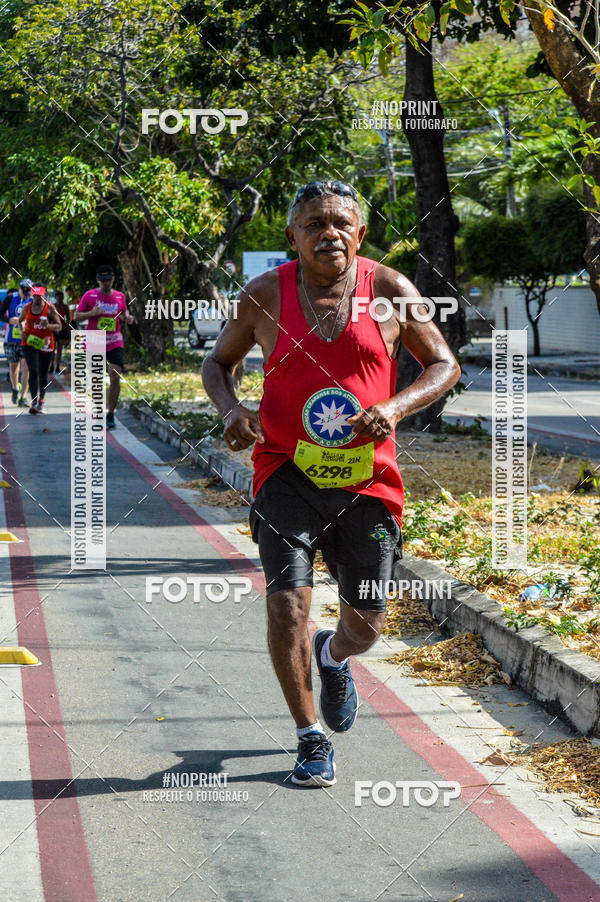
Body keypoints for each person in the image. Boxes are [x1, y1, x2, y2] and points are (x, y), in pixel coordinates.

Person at [202, 179, 461, 787]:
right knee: (287, 604)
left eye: (341, 223)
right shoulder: (264, 294)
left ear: (360, 233)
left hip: (367, 481)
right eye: (315, 224)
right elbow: (218, 363)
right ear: (292, 236)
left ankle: (333, 654)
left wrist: (394, 408)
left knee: (366, 623)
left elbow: (444, 365)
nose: (330, 234)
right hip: (284, 472)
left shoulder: (389, 289)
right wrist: (231, 410)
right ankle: (309, 736)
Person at [74, 265, 134, 428]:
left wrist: (128, 318)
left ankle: (111, 414)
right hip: (95, 340)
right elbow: (76, 316)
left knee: (115, 376)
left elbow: (124, 313)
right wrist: (92, 314)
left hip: (114, 341)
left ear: (113, 279)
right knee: (97, 380)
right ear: (98, 280)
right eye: (103, 281)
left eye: (108, 280)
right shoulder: (90, 295)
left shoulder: (120, 296)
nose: (106, 283)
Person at [19, 283, 61, 414]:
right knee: (33, 371)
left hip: (45, 344)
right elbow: (20, 320)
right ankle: (34, 402)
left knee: (43, 373)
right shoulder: (27, 307)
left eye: (40, 295)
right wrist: (21, 330)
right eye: (35, 295)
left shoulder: (50, 308)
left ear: (44, 294)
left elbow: (59, 326)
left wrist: (48, 325)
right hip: (29, 342)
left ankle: (41, 401)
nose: (37, 298)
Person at [2, 280, 32, 406]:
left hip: (27, 340)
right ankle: (15, 388)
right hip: (11, 340)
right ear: (20, 289)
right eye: (24, 293)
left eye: (28, 293)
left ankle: (23, 397)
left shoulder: (33, 300)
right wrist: (9, 320)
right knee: (14, 368)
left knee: (26, 367)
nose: (26, 296)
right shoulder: (10, 298)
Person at [50, 289, 71, 373]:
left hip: (62, 330)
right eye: (58, 297)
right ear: (55, 298)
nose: (59, 299)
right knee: (52, 349)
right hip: (54, 329)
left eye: (61, 297)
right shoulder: (52, 306)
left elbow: (68, 318)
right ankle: (51, 365)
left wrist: (66, 327)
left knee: (59, 349)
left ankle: (57, 366)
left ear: (62, 298)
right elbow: (49, 316)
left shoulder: (65, 307)